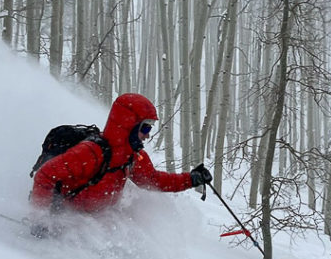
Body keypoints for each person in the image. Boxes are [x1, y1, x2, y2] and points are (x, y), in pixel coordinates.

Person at [30, 92, 212, 218]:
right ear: (129, 126)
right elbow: (45, 176)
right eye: (145, 128)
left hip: (96, 217)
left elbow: (154, 180)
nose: (148, 134)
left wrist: (191, 179)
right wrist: (41, 220)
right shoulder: (91, 153)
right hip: (63, 215)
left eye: (150, 128)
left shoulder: (132, 157)